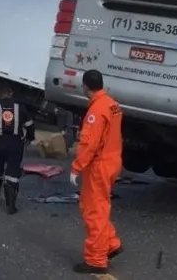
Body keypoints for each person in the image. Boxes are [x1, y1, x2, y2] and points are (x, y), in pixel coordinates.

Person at [70, 69, 124, 274]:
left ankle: (96, 259)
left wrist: (76, 167)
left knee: (94, 211)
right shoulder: (112, 105)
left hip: (99, 165)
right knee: (100, 205)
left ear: (85, 86)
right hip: (112, 161)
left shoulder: (96, 111)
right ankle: (110, 243)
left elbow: (89, 143)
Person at [0, 84, 35, 215]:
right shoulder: (20, 108)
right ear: (11, 95)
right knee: (12, 173)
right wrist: (29, 138)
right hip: (16, 142)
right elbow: (30, 125)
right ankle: (11, 206)